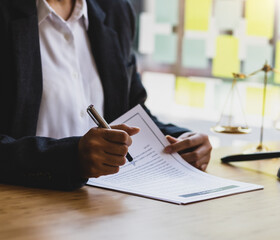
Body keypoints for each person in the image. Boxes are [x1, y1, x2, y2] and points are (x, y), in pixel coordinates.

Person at [0, 0, 212, 190]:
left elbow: (129, 112)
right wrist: (69, 158)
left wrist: (181, 141)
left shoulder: (115, 9)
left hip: (105, 204)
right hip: (24, 206)